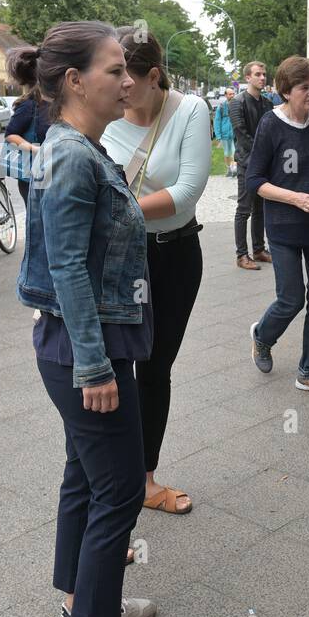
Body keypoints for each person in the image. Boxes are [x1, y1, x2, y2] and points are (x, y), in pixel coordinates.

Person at [11, 22, 171, 617]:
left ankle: (79, 605)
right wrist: (95, 367)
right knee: (119, 493)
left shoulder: (81, 147)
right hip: (88, 352)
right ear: (75, 82)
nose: (129, 81)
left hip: (86, 346)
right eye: (114, 71)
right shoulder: (74, 155)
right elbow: (69, 265)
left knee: (86, 475)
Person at [103, 26, 211, 516]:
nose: (121, 89)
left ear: (154, 75)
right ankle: (111, 487)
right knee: (110, 370)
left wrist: (116, 212)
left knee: (154, 367)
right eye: (113, 77)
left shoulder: (189, 110)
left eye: (129, 78)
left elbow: (188, 191)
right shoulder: (105, 118)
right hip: (122, 257)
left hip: (173, 255)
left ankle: (144, 479)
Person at [246, 56, 309, 398]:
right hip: (285, 226)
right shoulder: (271, 125)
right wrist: (295, 198)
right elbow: (254, 180)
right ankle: (263, 336)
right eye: (305, 88)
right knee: (291, 299)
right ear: (286, 91)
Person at [229, 61, 272, 269]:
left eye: (264, 74)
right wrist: (260, 155)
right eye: (258, 74)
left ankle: (259, 249)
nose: (262, 78)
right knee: (243, 210)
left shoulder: (266, 103)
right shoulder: (237, 102)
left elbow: (271, 132)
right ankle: (241, 255)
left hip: (263, 164)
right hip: (247, 163)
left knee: (260, 209)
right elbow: (242, 134)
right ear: (247, 78)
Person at [4, 85, 50, 206]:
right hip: (33, 173)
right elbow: (10, 135)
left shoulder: (58, 104)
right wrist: (35, 149)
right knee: (38, 220)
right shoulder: (29, 105)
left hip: (53, 169)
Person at [214, 86, 236, 176]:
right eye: (230, 94)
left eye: (233, 94)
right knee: (227, 152)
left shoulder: (237, 105)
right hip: (224, 134)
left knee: (235, 152)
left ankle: (234, 168)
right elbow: (217, 121)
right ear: (226, 95)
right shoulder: (221, 107)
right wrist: (218, 135)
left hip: (235, 134)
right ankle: (229, 169)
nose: (232, 95)